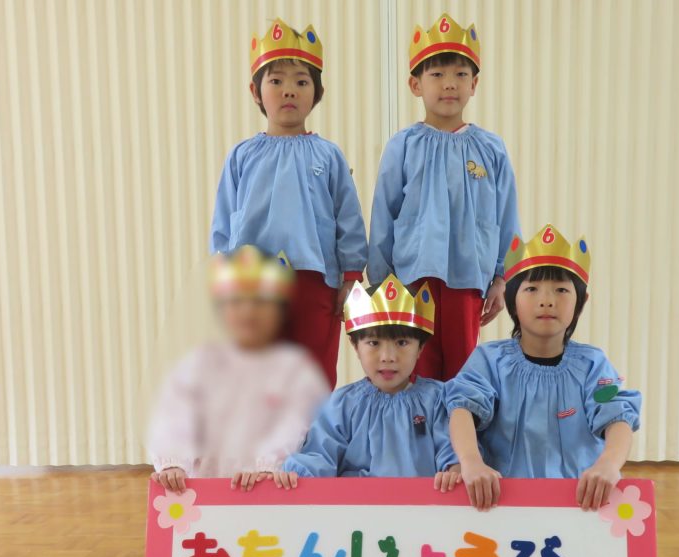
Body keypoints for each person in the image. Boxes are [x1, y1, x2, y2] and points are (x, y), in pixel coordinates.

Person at [211, 18, 368, 388]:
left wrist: (350, 277)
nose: (288, 91)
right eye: (276, 81)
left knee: (314, 371)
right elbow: (223, 224)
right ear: (255, 91)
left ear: (318, 92)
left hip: (316, 281)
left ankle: (316, 428)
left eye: (301, 82)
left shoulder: (328, 155)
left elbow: (348, 219)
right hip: (254, 285)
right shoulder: (242, 156)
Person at [367, 13, 521, 381]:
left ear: (474, 84)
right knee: (415, 372)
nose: (449, 83)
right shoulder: (403, 146)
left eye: (460, 74)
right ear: (415, 84)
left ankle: (461, 422)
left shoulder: (491, 149)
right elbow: (383, 214)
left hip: (468, 279)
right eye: (437, 74)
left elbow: (506, 217)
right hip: (412, 278)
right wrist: (381, 282)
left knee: (463, 372)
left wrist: (504, 279)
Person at [446, 224, 642, 511]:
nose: (547, 300)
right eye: (532, 289)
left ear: (581, 301)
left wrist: (609, 464)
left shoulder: (593, 366)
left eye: (561, 290)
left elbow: (618, 417)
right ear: (512, 299)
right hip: (500, 504)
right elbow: (462, 409)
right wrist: (470, 461)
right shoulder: (489, 361)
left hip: (578, 503)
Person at [147, 246, 329, 493]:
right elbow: (174, 415)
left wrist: (268, 464)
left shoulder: (295, 370)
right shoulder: (199, 364)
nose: (248, 311)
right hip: (204, 492)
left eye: (261, 301)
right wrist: (173, 461)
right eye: (236, 301)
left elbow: (296, 422)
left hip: (269, 489)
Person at [274, 275, 460, 487]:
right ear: (355, 346)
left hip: (424, 506)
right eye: (374, 343)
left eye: (402, 342)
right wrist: (295, 475)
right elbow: (318, 456)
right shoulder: (341, 405)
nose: (388, 356)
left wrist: (456, 469)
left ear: (420, 348)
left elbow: (454, 451)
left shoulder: (439, 400)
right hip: (356, 507)